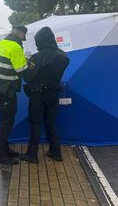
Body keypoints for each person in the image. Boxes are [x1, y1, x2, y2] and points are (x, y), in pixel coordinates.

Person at [20, 27, 70, 163]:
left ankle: (32, 154)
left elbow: (29, 77)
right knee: (51, 124)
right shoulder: (63, 56)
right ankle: (56, 152)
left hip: (38, 95)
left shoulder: (39, 57)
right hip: (53, 94)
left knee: (35, 123)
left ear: (41, 41)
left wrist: (27, 64)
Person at [0, 26, 28, 165]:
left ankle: (5, 149)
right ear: (21, 35)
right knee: (7, 121)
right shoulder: (15, 47)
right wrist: (30, 65)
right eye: (23, 38)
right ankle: (0, 155)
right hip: (7, 90)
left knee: (5, 119)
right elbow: (21, 71)